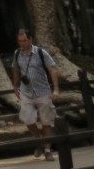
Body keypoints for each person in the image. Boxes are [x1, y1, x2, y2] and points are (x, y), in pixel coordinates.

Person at [11, 28, 60, 161]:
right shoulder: (17, 54)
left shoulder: (40, 52)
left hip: (43, 91)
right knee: (27, 119)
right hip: (26, 92)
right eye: (20, 41)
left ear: (30, 39)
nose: (22, 43)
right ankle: (38, 140)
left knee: (46, 121)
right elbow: (15, 69)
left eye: (24, 40)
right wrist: (15, 86)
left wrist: (55, 89)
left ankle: (48, 150)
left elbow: (52, 69)